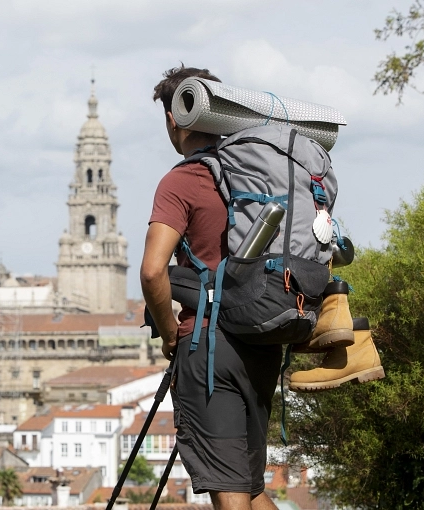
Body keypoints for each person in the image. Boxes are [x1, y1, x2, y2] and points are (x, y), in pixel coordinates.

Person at [140, 65, 281, 510]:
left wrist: (169, 332)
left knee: (230, 490)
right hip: (263, 343)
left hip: (210, 348)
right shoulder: (257, 174)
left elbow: (152, 271)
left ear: (173, 118)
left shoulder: (182, 181)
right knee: (250, 486)